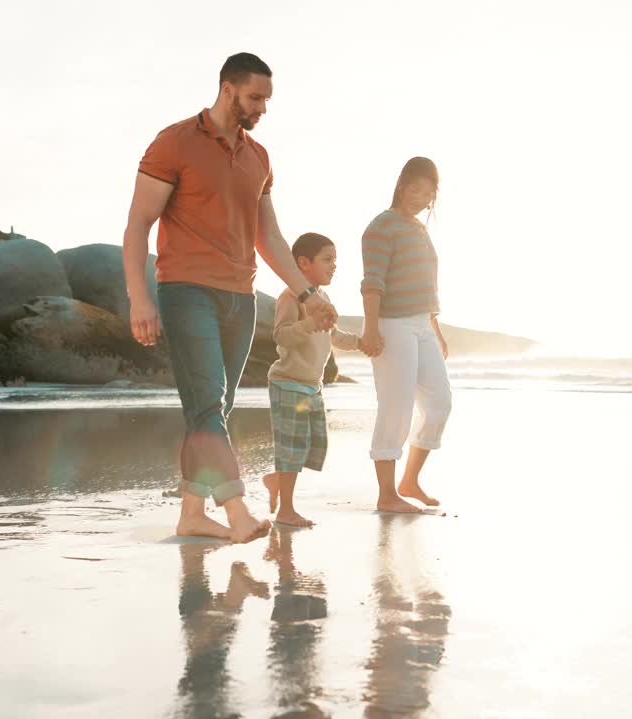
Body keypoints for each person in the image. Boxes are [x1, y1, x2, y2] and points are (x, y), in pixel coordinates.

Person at [121, 52, 337, 543]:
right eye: (255, 97)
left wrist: (307, 294)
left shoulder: (259, 157)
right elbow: (137, 226)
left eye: (267, 99)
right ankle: (237, 511)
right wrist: (140, 298)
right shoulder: (173, 142)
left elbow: (272, 238)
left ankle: (192, 514)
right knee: (208, 403)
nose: (263, 107)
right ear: (227, 89)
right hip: (185, 290)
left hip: (239, 296)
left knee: (213, 407)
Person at [359, 157, 452, 513]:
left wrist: (437, 332)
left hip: (423, 325)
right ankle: (386, 495)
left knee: (439, 404)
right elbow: (373, 283)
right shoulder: (381, 227)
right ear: (401, 185)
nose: (421, 198)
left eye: (428, 194)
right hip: (392, 323)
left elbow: (427, 288)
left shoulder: (420, 229)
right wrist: (370, 328)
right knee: (395, 407)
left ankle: (409, 481)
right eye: (416, 189)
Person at [261, 233, 361, 527]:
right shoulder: (290, 296)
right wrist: (309, 323)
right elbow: (281, 335)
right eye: (327, 259)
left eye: (335, 260)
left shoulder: (324, 298)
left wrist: (362, 342)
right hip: (288, 383)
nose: (334, 266)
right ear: (303, 263)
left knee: (309, 447)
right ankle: (286, 511)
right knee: (291, 449)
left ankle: (275, 480)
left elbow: (334, 335)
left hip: (311, 387)